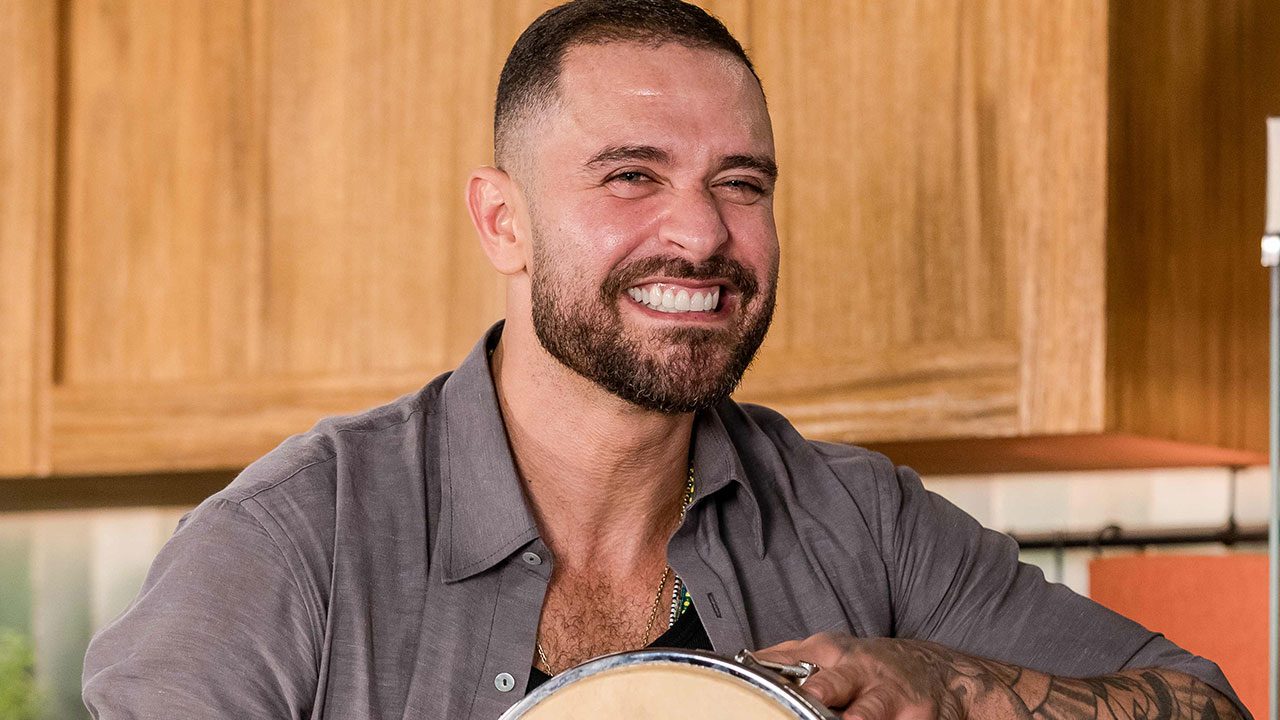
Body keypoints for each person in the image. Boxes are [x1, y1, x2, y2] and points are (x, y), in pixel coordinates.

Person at [82, 1, 1250, 718]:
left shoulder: (862, 525)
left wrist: (960, 686)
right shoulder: (286, 549)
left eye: (739, 184)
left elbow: (1205, 706)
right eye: (629, 175)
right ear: (502, 222)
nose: (699, 234)